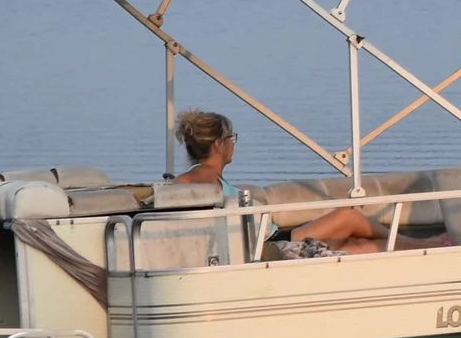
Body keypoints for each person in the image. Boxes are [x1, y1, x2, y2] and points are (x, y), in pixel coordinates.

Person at [174, 108, 423, 256]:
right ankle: (431, 246)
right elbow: (187, 191)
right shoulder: (201, 176)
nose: (233, 145)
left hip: (271, 241)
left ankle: (431, 246)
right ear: (218, 144)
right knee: (350, 221)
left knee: (356, 242)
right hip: (272, 248)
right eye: (231, 139)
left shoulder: (204, 175)